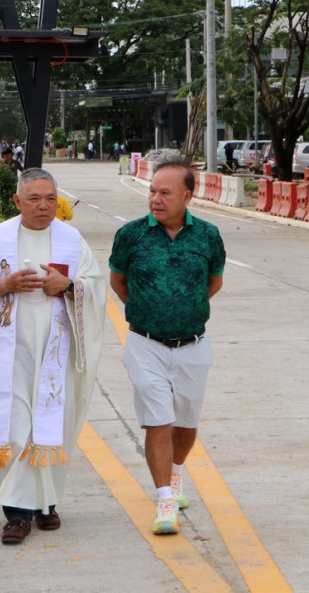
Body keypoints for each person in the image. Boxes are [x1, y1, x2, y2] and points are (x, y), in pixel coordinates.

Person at [0, 168, 105, 545]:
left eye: (51, 198)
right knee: (17, 428)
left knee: (50, 427)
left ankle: (46, 503)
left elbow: (95, 288)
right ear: (17, 200)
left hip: (57, 354)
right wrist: (2, 285)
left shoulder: (72, 239)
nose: (44, 206)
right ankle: (17, 514)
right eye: (35, 198)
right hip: (13, 354)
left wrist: (68, 286)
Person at [108, 158, 225, 536]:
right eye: (152, 191)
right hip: (145, 344)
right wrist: (150, 312)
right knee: (158, 418)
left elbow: (214, 283)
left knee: (186, 422)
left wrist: (182, 310)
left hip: (193, 345)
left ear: (188, 196)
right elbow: (118, 281)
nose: (155, 199)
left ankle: (174, 476)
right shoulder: (131, 235)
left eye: (165, 192)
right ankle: (165, 500)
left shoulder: (208, 235)